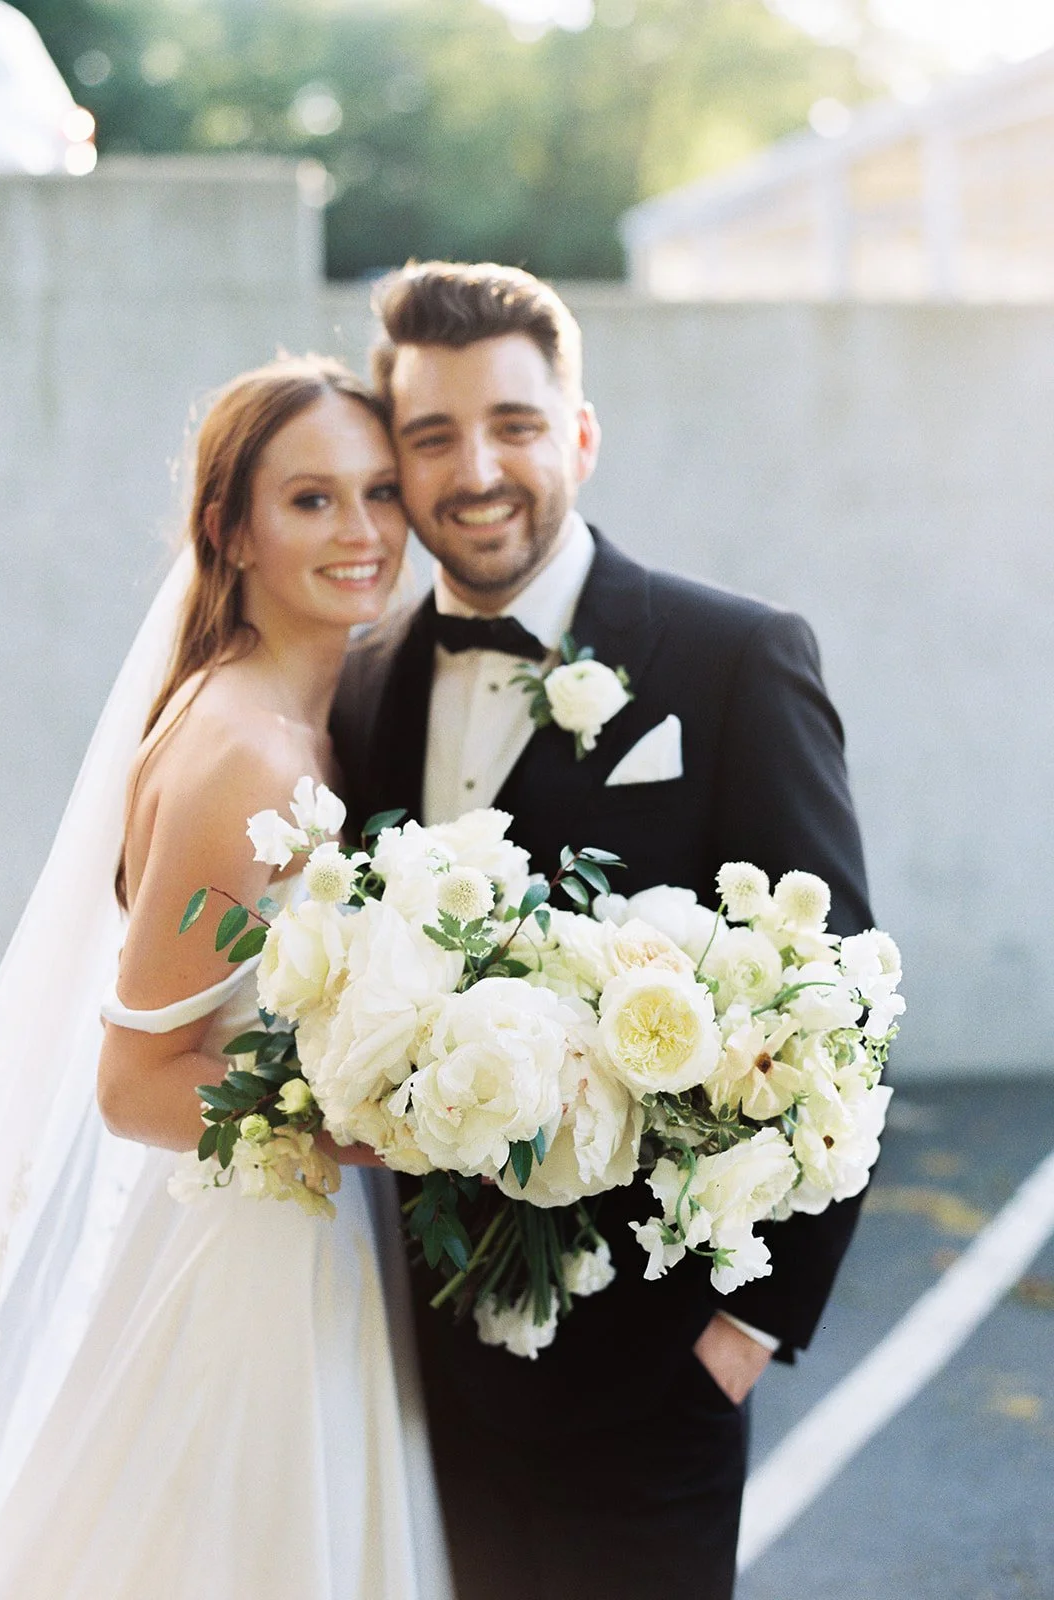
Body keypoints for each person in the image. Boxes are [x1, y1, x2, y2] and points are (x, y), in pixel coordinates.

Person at [0, 356, 453, 1600]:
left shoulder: (317, 716)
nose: (361, 531)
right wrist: (380, 1106)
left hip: (316, 1228)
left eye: (379, 491)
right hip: (254, 1267)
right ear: (228, 531)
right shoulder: (240, 752)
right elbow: (135, 1083)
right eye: (311, 501)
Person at [331, 262, 874, 1600]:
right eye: (433, 434)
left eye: (513, 423)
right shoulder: (359, 687)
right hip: (421, 1364)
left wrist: (745, 1331)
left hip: (653, 1372)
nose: (478, 467)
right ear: (397, 468)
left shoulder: (733, 659)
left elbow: (837, 1009)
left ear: (578, 432)